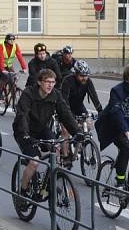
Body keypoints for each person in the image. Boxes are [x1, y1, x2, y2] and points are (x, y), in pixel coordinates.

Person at [12, 68, 81, 206]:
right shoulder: (28, 94)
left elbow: (65, 113)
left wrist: (77, 132)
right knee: (34, 162)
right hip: (24, 132)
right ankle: (23, 191)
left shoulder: (55, 95)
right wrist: (25, 135)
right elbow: (23, 115)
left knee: (56, 148)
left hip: (42, 129)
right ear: (39, 82)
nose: (50, 85)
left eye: (53, 82)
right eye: (47, 82)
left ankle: (49, 181)